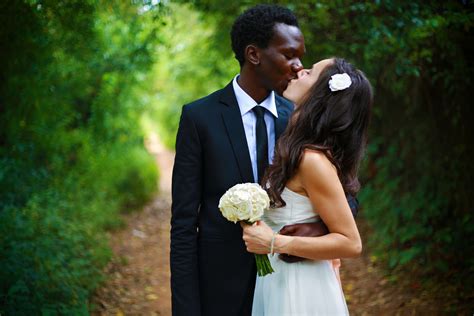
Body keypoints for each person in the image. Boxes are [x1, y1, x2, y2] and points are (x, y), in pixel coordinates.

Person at [170, 5, 305, 316]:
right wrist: (186, 309)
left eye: (301, 55)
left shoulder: (299, 119)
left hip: (289, 282)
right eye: (289, 55)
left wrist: (310, 232)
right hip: (221, 289)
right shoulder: (199, 118)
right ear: (254, 55)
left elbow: (343, 198)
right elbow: (183, 223)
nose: (299, 67)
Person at [242, 57, 373, 315]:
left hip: (300, 286)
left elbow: (350, 243)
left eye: (310, 72)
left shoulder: (312, 160)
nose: (300, 70)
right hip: (276, 279)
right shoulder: (295, 147)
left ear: (322, 94)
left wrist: (275, 243)